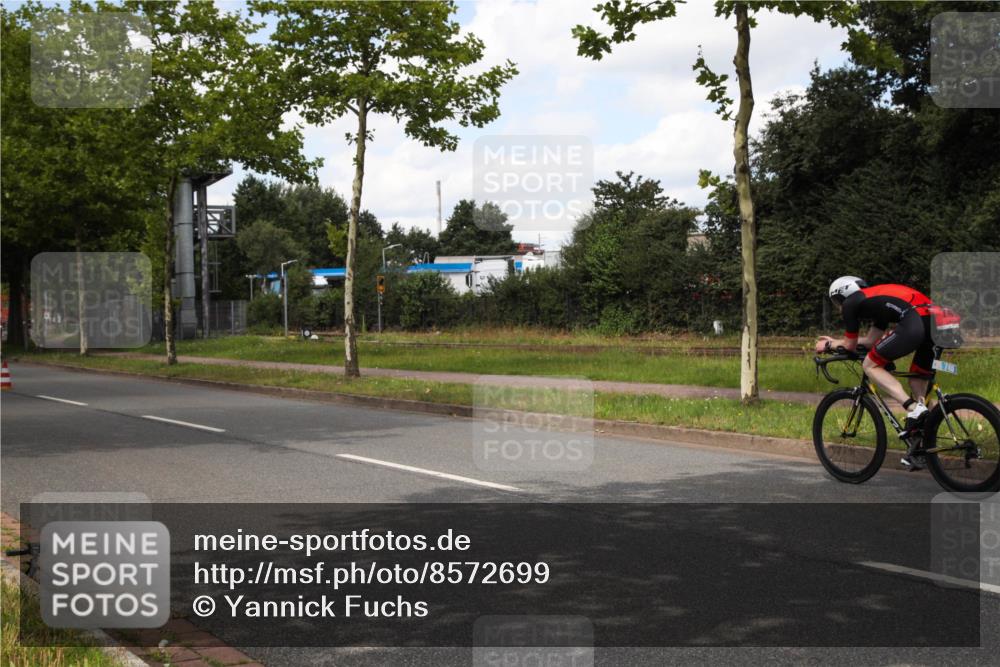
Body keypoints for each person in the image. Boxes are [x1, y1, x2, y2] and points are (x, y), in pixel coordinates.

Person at [815, 277, 936, 469]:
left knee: (870, 365)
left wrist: (829, 344)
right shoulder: (877, 300)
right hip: (938, 321)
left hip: (916, 320)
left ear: (843, 294)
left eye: (837, 302)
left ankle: (913, 407)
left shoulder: (851, 303)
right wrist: (838, 342)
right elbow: (871, 340)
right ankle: (922, 444)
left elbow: (850, 345)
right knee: (917, 380)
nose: (839, 308)